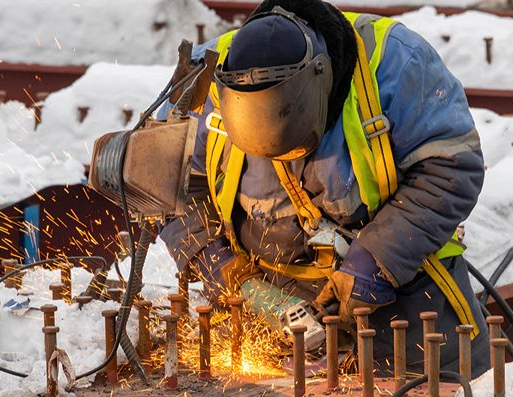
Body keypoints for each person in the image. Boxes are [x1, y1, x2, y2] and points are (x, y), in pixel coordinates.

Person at [159, 0, 489, 377]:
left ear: (323, 79)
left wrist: (375, 260)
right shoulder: (206, 78)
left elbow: (451, 171)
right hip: (271, 324)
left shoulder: (396, 61)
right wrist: (226, 272)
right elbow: (169, 194)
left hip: (409, 311)